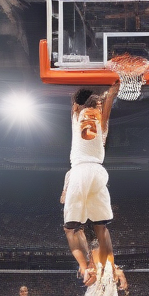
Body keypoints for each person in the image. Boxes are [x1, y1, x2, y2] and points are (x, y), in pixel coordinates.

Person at [62, 82, 120, 283]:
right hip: (98, 171)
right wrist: (112, 91)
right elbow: (109, 103)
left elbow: (75, 102)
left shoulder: (77, 116)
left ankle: (85, 268)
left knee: (71, 228)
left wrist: (88, 95)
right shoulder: (102, 123)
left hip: (79, 171)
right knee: (101, 227)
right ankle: (109, 266)